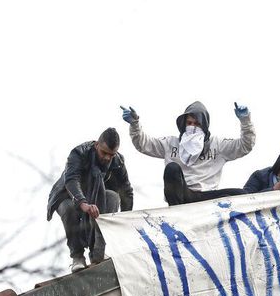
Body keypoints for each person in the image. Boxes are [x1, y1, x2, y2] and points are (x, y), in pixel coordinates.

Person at [121, 101, 255, 205]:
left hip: (206, 197)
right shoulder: (171, 143)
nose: (192, 127)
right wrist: (135, 125)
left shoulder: (217, 145)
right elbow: (144, 144)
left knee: (240, 194)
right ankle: (175, 209)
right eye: (189, 123)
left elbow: (245, 145)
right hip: (181, 195)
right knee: (171, 168)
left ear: (204, 125)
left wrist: (245, 121)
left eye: (197, 124)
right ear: (183, 125)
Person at [46, 128, 133, 272]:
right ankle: (77, 256)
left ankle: (97, 254)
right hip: (67, 195)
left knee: (112, 197)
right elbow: (72, 180)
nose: (106, 158)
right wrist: (83, 203)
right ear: (96, 145)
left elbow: (126, 191)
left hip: (96, 195)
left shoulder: (118, 162)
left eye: (111, 155)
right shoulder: (79, 153)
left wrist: (125, 219)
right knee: (68, 209)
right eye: (104, 152)